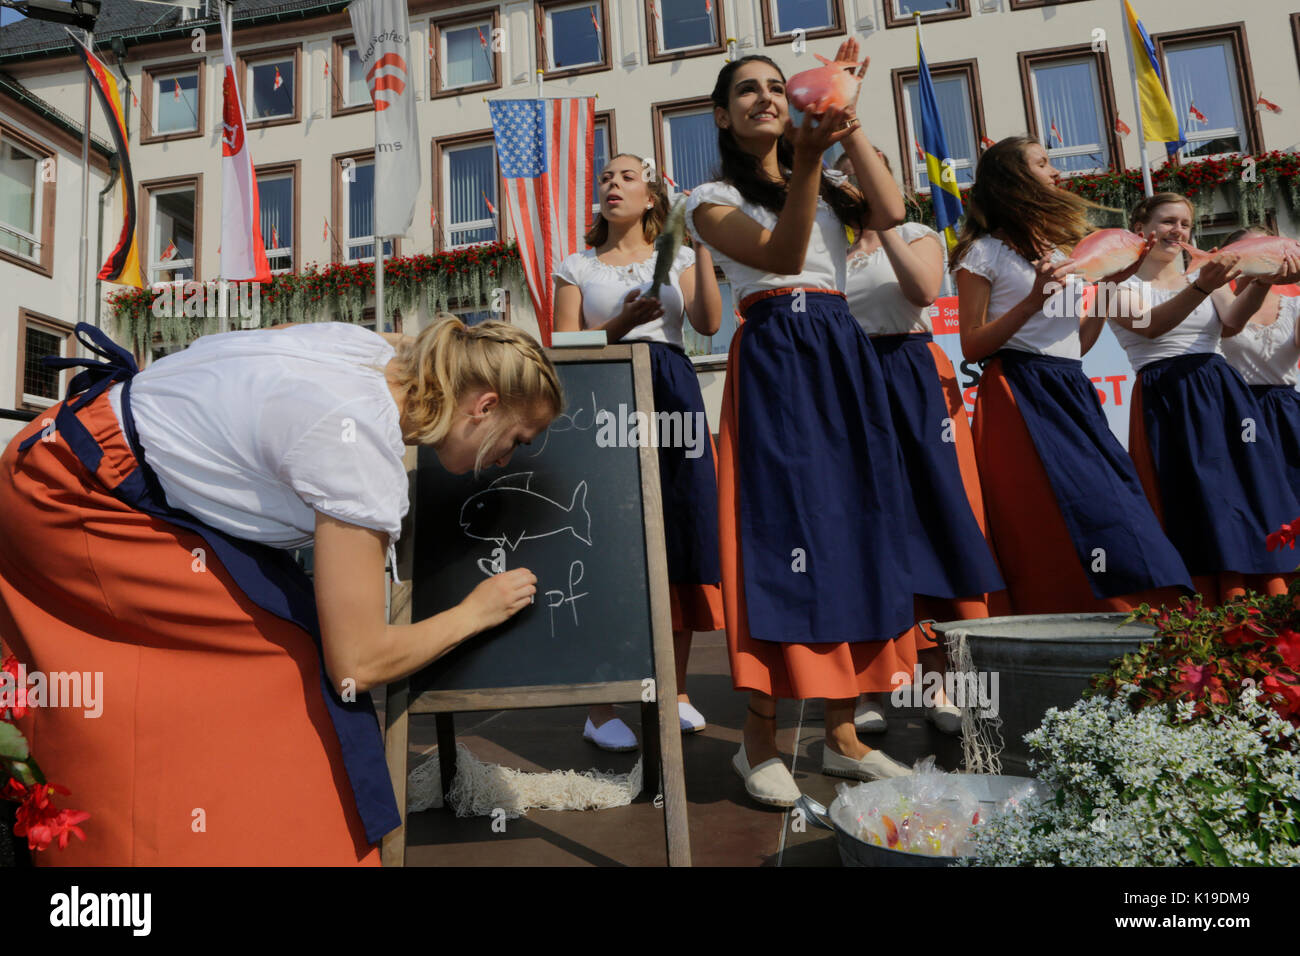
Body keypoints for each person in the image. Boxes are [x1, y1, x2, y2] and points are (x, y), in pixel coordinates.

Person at [0, 316, 560, 865]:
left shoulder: (363, 348)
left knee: (268, 656)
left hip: (62, 449)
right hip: (77, 497)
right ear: (482, 407)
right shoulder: (360, 445)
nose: (507, 460)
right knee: (276, 677)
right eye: (515, 439)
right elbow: (358, 662)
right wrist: (474, 613)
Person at [688, 40, 918, 808]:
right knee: (783, 531)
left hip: (841, 347)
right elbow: (783, 254)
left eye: (778, 87)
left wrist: (844, 112)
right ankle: (756, 740)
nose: (765, 97)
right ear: (722, 115)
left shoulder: (827, 173)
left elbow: (893, 213)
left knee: (856, 524)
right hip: (778, 352)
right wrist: (811, 158)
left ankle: (844, 735)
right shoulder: (708, 196)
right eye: (747, 91)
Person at [951, 137, 1193, 614]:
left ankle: (1147, 618)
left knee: (1115, 501)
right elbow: (973, 345)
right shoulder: (982, 254)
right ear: (1015, 180)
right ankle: (1069, 622)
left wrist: (1105, 290)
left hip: (1069, 384)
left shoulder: (1060, 251)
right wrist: (1033, 299)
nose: (1055, 172)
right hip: (1018, 390)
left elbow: (1076, 343)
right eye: (1042, 164)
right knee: (1048, 512)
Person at [553, 152, 725, 750]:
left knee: (678, 533)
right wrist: (619, 327)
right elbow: (564, 347)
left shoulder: (674, 256)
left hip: (674, 391)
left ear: (652, 196)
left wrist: (702, 245)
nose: (612, 184)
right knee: (610, 538)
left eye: (626, 176)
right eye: (604, 176)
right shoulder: (577, 264)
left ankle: (673, 688)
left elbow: (707, 321)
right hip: (608, 397)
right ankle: (599, 704)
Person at [834, 151, 1006, 737]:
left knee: (935, 521)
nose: (852, 179)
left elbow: (926, 290)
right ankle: (868, 683)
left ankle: (946, 682)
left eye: (865, 170)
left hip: (909, 373)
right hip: (847, 383)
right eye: (844, 171)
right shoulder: (824, 245)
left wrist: (882, 223)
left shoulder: (914, 231)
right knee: (864, 530)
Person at [1102, 197, 1300, 602]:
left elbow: (1230, 324)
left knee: (1249, 492)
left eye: (1186, 223)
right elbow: (1152, 326)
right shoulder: (1113, 285)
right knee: (1196, 498)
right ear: (1141, 226)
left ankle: (1274, 595)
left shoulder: (1199, 272)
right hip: (1168, 393)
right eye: (1168, 221)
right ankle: (1218, 601)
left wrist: (1262, 280)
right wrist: (1202, 285)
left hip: (1221, 389)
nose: (1178, 231)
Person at [1218, 226, 1300, 504]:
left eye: (1271, 247)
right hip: (1235, 410)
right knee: (1256, 499)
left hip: (1286, 411)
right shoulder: (1213, 301)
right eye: (1256, 249)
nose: (1266, 255)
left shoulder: (1294, 303)